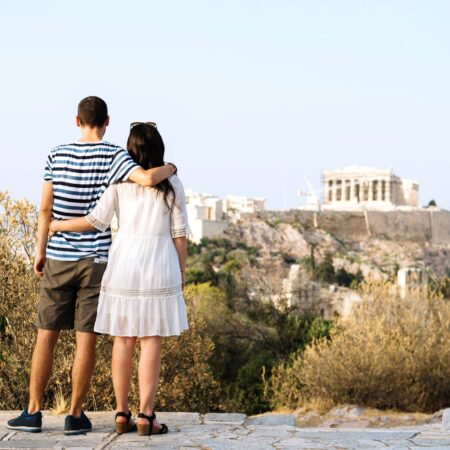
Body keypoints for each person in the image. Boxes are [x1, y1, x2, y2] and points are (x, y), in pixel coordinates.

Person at [7, 98, 176, 435]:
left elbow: (45, 209)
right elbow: (145, 180)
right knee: (86, 337)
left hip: (58, 256)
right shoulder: (115, 155)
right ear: (107, 121)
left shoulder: (56, 154)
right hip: (97, 259)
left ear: (76, 121)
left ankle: (33, 411)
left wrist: (40, 250)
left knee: (46, 334)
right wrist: (172, 167)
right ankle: (74, 415)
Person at [48, 122, 189, 436]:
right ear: (159, 147)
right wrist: (182, 271)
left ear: (131, 149)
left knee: (123, 339)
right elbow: (179, 234)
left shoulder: (119, 180)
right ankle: (146, 415)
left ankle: (122, 413)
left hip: (124, 260)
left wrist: (56, 227)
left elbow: (95, 221)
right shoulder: (172, 181)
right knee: (151, 339)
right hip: (159, 260)